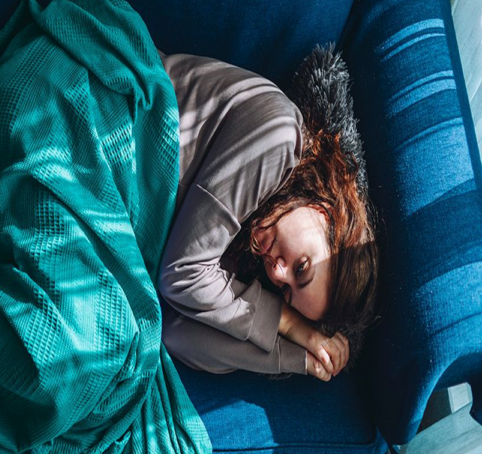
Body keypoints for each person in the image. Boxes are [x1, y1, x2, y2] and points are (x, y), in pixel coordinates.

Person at [155, 47, 380, 382]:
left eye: (286, 291)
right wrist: (288, 322)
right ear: (325, 213)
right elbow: (180, 276)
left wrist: (296, 357)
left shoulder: (241, 251)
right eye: (301, 267)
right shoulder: (278, 135)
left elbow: (174, 332)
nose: (276, 272)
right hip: (109, 118)